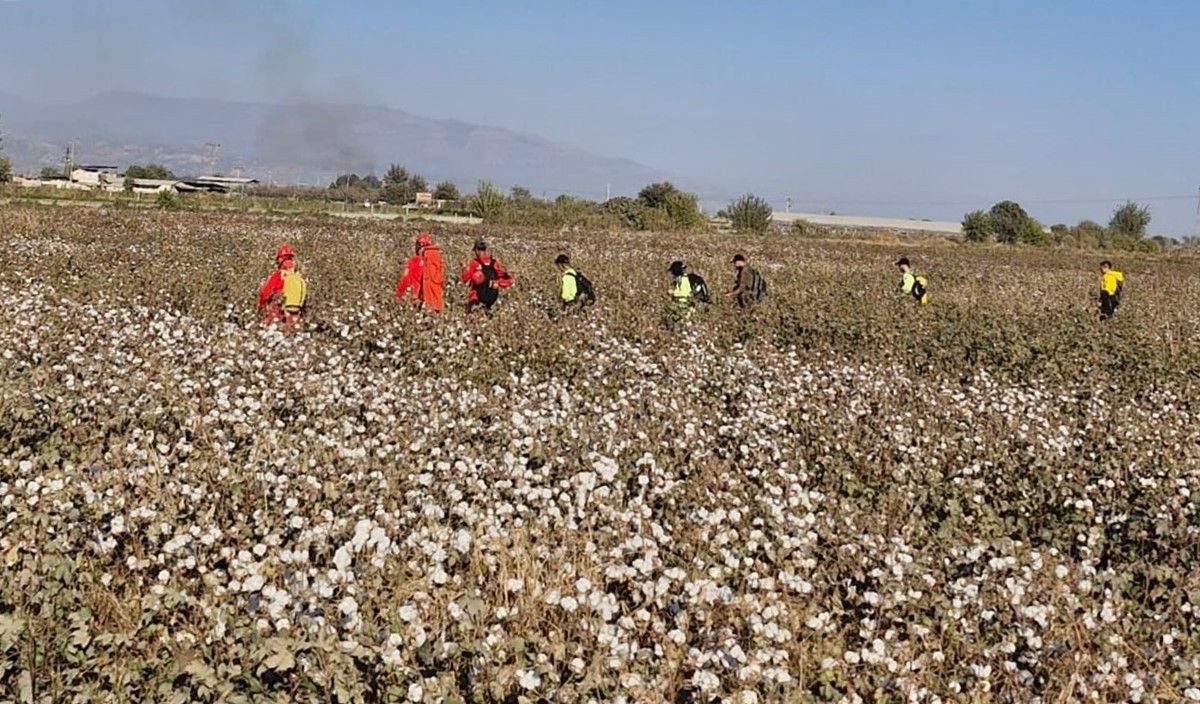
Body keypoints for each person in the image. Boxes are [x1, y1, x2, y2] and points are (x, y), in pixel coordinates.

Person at [258, 243, 308, 327]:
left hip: (277, 315)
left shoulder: (279, 275)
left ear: (280, 260)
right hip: (296, 316)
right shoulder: (299, 277)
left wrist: (261, 309)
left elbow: (265, 293)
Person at [460, 239, 513, 316]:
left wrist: (464, 268)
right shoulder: (495, 263)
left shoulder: (474, 263)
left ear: (477, 250)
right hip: (492, 298)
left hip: (476, 296)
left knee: (473, 316)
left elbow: (465, 279)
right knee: (487, 315)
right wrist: (498, 283)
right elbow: (508, 280)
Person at [395, 231, 445, 312]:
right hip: (432, 301)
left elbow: (405, 279)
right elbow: (441, 282)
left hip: (416, 300)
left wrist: (398, 296)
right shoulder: (436, 261)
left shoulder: (413, 261)